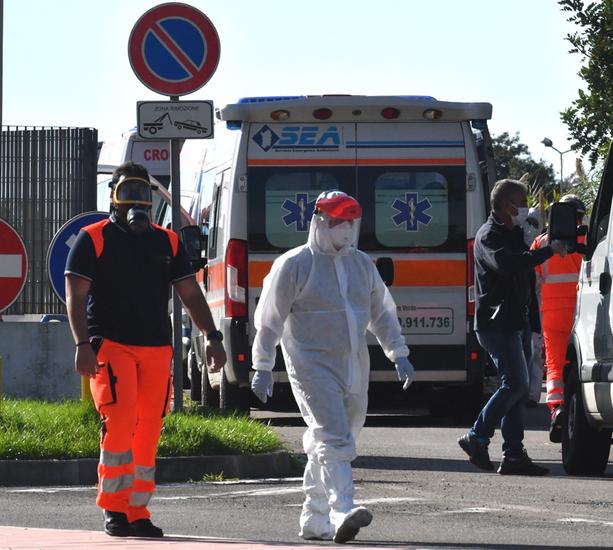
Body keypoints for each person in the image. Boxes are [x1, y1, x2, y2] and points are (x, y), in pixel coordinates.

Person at [65, 162, 227, 538]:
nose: (135, 202)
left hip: (156, 348)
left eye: (142, 194)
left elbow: (190, 293)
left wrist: (213, 336)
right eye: (128, 193)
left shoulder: (167, 242)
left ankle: (137, 510)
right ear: (113, 198)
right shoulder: (93, 239)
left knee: (149, 428)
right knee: (121, 422)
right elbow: (76, 297)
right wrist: (82, 344)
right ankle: (114, 508)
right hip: (110, 345)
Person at [249, 190, 415, 543]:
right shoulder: (295, 264)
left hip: (354, 364)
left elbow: (382, 313)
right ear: (320, 221)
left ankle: (315, 519)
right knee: (334, 434)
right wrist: (262, 364)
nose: (346, 228)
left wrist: (398, 352)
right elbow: (270, 319)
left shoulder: (362, 265)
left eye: (351, 221)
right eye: (339, 220)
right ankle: (343, 510)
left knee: (334, 439)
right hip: (310, 364)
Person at [457, 179, 568, 476]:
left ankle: (514, 454)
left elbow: (525, 277)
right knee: (517, 385)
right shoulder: (489, 236)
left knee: (517, 391)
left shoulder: (512, 233)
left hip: (515, 322)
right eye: (521, 202)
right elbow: (508, 264)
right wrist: (547, 251)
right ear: (507, 205)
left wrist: (532, 323)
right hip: (496, 324)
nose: (525, 208)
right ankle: (476, 436)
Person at [531, 194, 586, 443]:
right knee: (581, 362)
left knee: (554, 364)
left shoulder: (541, 242)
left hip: (551, 314)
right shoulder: (587, 239)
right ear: (579, 217)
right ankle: (579, 409)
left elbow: (532, 279)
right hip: (582, 312)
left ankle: (556, 410)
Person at [524, 207, 544, 408]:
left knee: (536, 352)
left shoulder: (541, 246)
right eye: (528, 222)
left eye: (534, 223)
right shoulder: (517, 245)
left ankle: (532, 394)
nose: (530, 227)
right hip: (529, 306)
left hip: (541, 306)